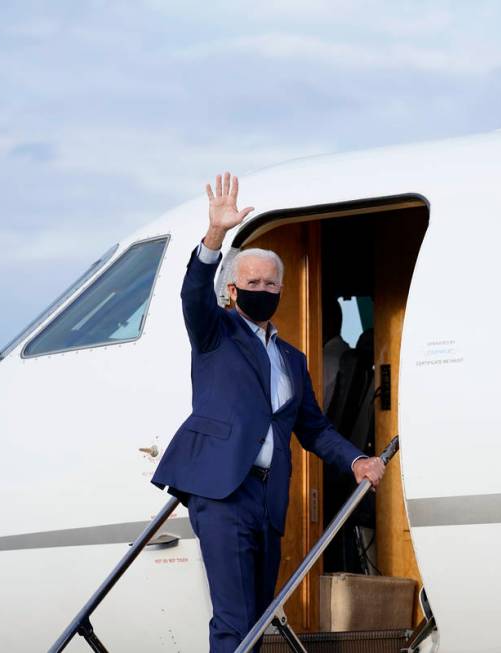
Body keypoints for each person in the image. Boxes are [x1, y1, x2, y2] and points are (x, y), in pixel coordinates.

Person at [151, 171, 386, 653]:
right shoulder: (215, 333)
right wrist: (216, 235)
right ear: (233, 291)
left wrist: (355, 460)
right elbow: (193, 292)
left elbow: (314, 428)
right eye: (251, 281)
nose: (262, 287)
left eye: (270, 282)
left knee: (257, 620)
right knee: (235, 621)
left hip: (267, 497)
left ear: (281, 291)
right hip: (223, 491)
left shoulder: (293, 360)